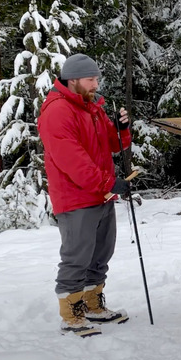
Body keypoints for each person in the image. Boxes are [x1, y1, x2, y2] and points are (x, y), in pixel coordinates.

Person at [38, 53, 131, 337]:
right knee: (77, 256)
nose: (95, 84)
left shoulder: (92, 108)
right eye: (91, 79)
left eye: (96, 79)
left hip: (100, 195)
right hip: (76, 197)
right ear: (73, 79)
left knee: (101, 253)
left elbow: (112, 145)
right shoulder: (58, 111)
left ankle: (92, 303)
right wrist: (108, 182)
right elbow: (73, 161)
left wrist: (122, 128)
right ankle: (71, 313)